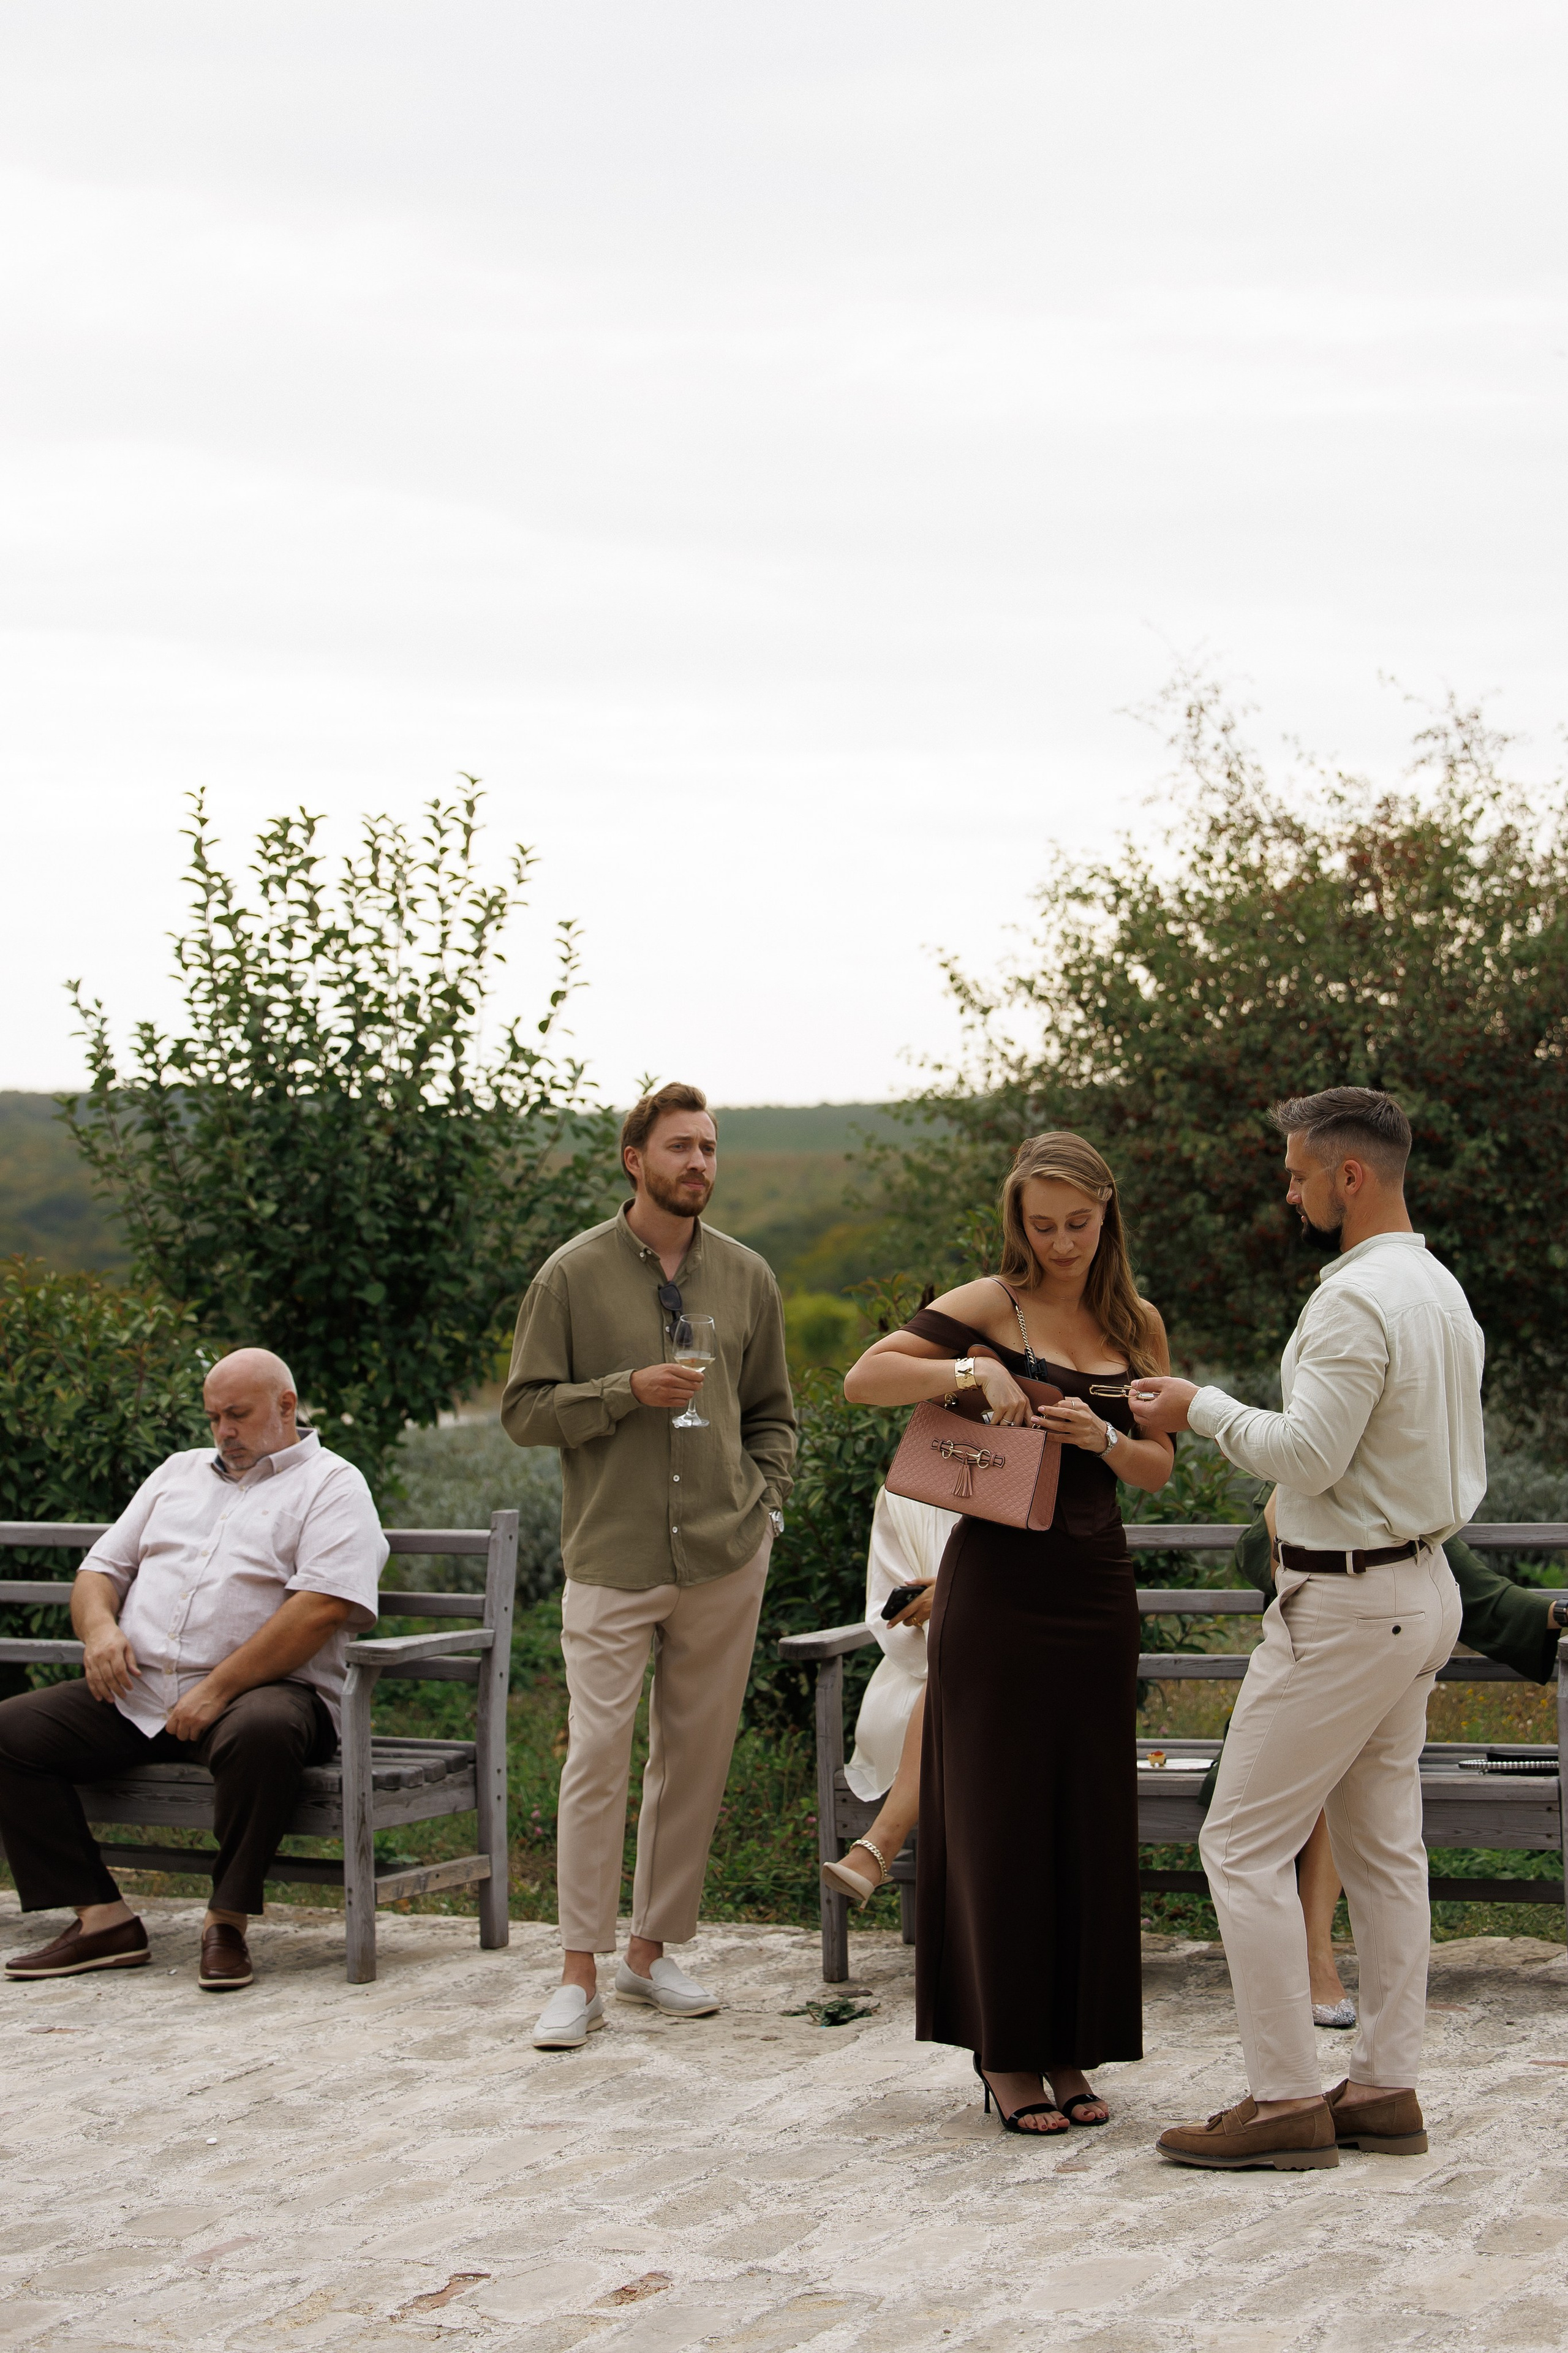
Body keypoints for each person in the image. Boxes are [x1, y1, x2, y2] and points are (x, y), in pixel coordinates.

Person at [1134, 1087, 1483, 2170]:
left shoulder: (1353, 1301)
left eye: (1296, 1174)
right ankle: (1383, 2086)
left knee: (1239, 1844)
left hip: (1346, 1606)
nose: (1287, 1193)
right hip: (1420, 1594)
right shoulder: (1438, 1289)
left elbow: (1310, 1454)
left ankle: (1285, 2097)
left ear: (1349, 1175)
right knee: (1387, 1851)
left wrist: (1199, 1408)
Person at [843, 1131, 1175, 2135]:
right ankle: (1005, 2053)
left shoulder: (1137, 1320)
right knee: (997, 1814)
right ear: (1016, 1219)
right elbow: (866, 1376)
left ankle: (1072, 2042)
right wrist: (965, 1376)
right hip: (995, 1584)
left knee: (1084, 1814)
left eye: (1079, 1223)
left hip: (1093, 1584)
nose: (1062, 1242)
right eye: (1042, 1224)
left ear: (1106, 1215)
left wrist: (1105, 1437)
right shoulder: (994, 1302)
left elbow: (1161, 1463)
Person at [503, 1082, 795, 2050]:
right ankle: (576, 1973)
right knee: (597, 1757)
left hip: (724, 1550)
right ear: (636, 1158)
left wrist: (767, 1504)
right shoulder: (571, 1276)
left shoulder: (749, 1276)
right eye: (681, 1148)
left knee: (695, 1762)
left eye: (710, 1148)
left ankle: (650, 1951)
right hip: (614, 1554)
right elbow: (524, 1412)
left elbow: (774, 1412)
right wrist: (624, 1390)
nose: (699, 1164)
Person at [0, 1349, 385, 1992]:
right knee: (9, 1733)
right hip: (142, 1691)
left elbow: (323, 1607)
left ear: (286, 1406)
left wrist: (219, 1687)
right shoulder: (177, 1473)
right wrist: (99, 1630)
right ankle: (102, 1919)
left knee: (261, 1731)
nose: (223, 1431)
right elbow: (100, 1570)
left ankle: (226, 1922)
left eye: (237, 1414)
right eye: (213, 1417)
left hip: (266, 1694)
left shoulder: (333, 1484)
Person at [1223, 1497, 1568, 2028]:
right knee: (1325, 1781)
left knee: (1366, 1799)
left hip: (1374, 1667)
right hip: (1305, 1686)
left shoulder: (1403, 1495)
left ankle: (1334, 2077)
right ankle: (1318, 1963)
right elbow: (1260, 1554)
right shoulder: (1313, 1472)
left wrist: (1552, 1616)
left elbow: (1464, 1580)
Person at [821, 1489, 957, 1909]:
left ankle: (879, 1847)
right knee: (959, 1675)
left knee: (967, 1672)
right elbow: (888, 1614)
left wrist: (956, 1596)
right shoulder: (904, 1493)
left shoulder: (1027, 1472)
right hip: (920, 1677)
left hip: (1017, 1669)